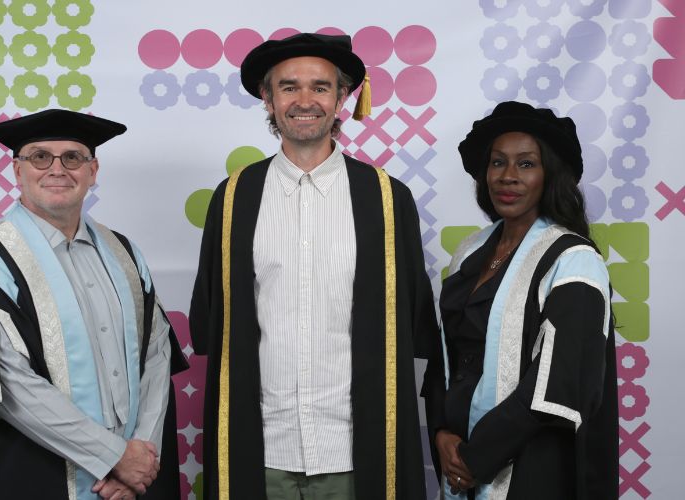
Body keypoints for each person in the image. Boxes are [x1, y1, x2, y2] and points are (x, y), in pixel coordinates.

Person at [189, 33, 438, 500]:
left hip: (355, 451)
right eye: (288, 87)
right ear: (267, 98)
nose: (305, 101)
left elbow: (409, 324)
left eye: (320, 87)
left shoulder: (387, 200)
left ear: (343, 97)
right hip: (262, 448)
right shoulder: (233, 199)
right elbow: (215, 322)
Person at [0, 109, 188, 500]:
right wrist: (113, 457)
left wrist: (141, 458)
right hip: (35, 479)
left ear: (92, 170)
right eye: (39, 157)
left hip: (133, 483)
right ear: (18, 171)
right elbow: (7, 385)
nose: (57, 169)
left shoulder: (125, 254)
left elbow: (156, 356)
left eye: (72, 157)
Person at [422, 101, 619, 499]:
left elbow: (561, 386)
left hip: (535, 470)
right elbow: (448, 360)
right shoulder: (470, 253)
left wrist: (475, 458)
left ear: (550, 176)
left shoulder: (573, 261)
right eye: (498, 163)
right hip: (460, 459)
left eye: (526, 164)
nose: (507, 177)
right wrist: (443, 433)